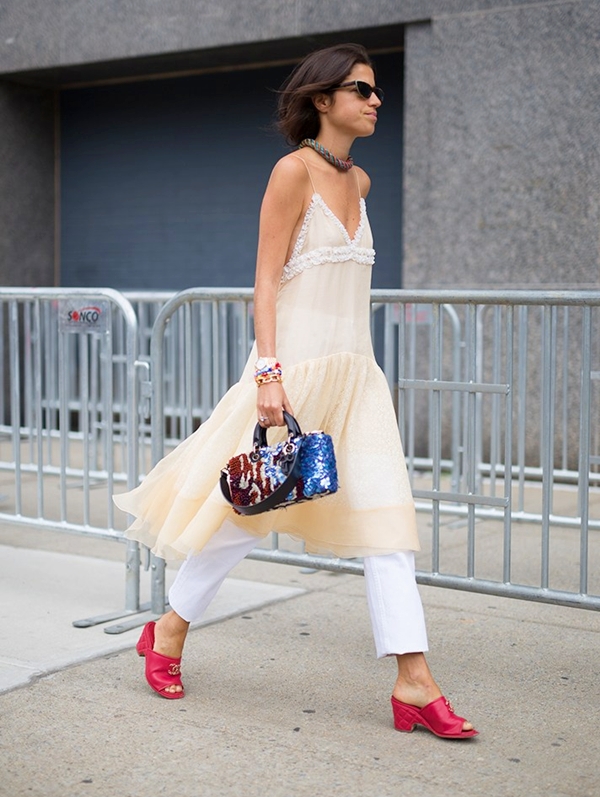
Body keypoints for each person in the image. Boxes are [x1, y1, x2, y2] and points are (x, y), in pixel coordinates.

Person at [114, 42, 477, 740]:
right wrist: (269, 375)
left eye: (376, 91)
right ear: (322, 99)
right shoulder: (291, 173)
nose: (376, 100)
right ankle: (168, 627)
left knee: (388, 530)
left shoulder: (361, 183)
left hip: (356, 377)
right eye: (362, 89)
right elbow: (265, 279)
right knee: (242, 512)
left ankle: (413, 677)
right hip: (292, 372)